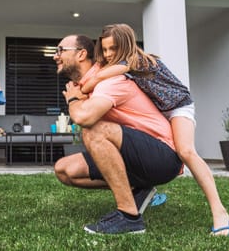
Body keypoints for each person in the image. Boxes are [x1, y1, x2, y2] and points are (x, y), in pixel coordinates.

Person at [80, 23, 229, 236]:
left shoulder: (135, 60)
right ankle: (144, 190)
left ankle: (220, 213)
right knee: (139, 146)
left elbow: (94, 81)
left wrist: (90, 80)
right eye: (105, 49)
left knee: (185, 151)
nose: (108, 54)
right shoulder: (118, 63)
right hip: (157, 111)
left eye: (113, 49)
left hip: (177, 107)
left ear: (126, 45)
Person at [53, 34, 183, 234]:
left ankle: (129, 217)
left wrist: (73, 100)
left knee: (94, 130)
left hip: (162, 156)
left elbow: (84, 118)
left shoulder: (109, 81)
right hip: (133, 153)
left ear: (81, 54)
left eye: (60, 50)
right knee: (64, 169)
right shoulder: (86, 86)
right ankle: (138, 191)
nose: (55, 56)